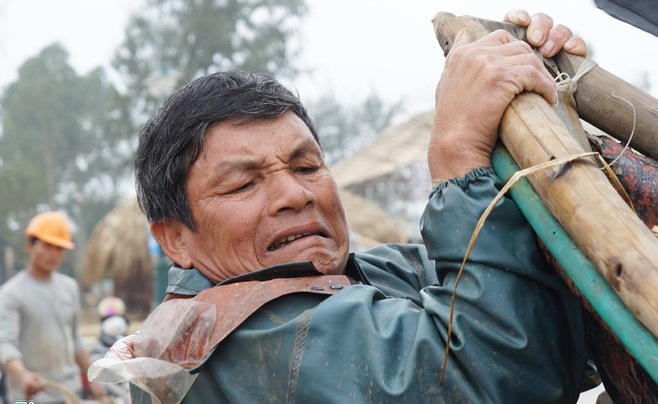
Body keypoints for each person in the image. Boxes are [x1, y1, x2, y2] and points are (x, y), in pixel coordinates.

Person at [94, 10, 592, 403]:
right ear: (175, 239)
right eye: (243, 184)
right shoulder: (232, 334)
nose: (296, 194)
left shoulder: (379, 271)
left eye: (307, 166)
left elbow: (562, 325)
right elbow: (496, 383)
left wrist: (540, 99)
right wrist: (459, 153)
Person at [0, 211, 106, 403]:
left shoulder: (69, 287)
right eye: (48, 246)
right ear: (30, 246)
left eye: (59, 248)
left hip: (67, 391)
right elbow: (5, 343)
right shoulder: (11, 293)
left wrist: (92, 378)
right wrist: (22, 375)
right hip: (30, 395)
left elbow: (75, 340)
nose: (54, 253)